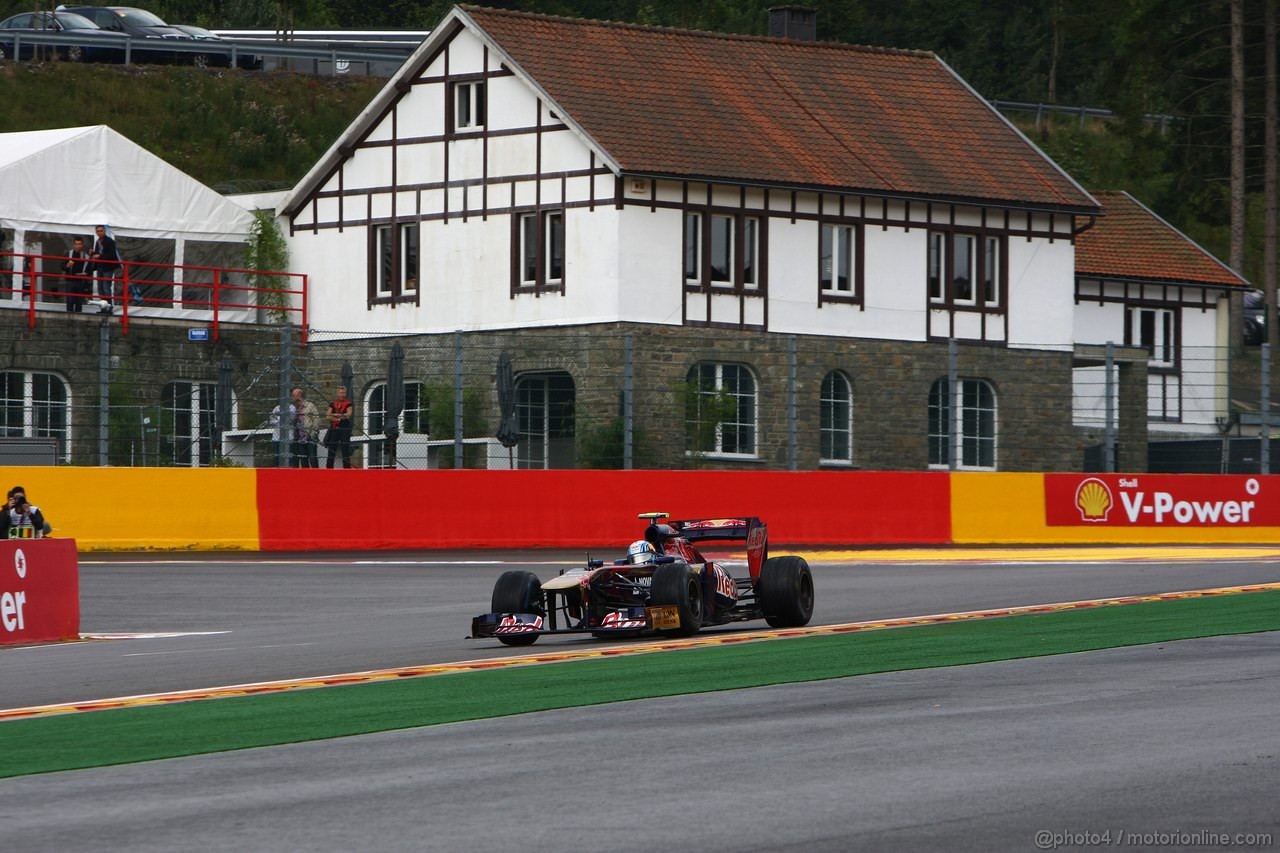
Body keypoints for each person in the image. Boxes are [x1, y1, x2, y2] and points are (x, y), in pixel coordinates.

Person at [90, 224, 121, 314]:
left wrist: (99, 256)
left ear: (104, 231)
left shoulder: (110, 241)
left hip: (107, 267)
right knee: (100, 288)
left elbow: (112, 255)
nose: (99, 233)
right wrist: (93, 253)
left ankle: (109, 307)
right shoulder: (98, 241)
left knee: (106, 288)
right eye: (98, 231)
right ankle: (103, 307)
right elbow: (98, 254)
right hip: (100, 267)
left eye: (101, 231)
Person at [324, 385, 354, 469]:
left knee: (345, 448)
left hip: (344, 428)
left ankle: (346, 468)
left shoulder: (348, 404)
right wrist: (339, 417)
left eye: (344, 393)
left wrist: (336, 416)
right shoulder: (332, 404)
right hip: (334, 428)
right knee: (332, 448)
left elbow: (348, 415)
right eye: (340, 393)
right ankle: (329, 468)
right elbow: (328, 416)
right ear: (337, 393)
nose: (342, 395)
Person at [291, 387, 320, 468]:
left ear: (299, 395)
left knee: (312, 458)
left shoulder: (310, 406)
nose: (292, 397)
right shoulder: (293, 408)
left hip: (309, 435)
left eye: (294, 395)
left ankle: (316, 477)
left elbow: (316, 419)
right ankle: (306, 478)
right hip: (299, 437)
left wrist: (314, 432)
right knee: (303, 459)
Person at [62, 237, 92, 313]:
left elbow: (90, 269)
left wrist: (86, 274)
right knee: (70, 300)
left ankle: (78, 317)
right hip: (70, 280)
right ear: (73, 245)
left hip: (80, 281)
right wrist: (67, 266)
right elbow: (62, 266)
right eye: (76, 244)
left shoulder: (86, 256)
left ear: (82, 245)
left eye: (79, 244)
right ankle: (69, 317)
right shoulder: (68, 254)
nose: (78, 246)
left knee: (79, 301)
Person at [268, 399, 297, 468]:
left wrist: (278, 420)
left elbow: (290, 419)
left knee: (289, 457)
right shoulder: (276, 408)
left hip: (288, 437)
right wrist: (279, 421)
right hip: (276, 437)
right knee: (276, 457)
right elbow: (271, 421)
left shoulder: (292, 408)